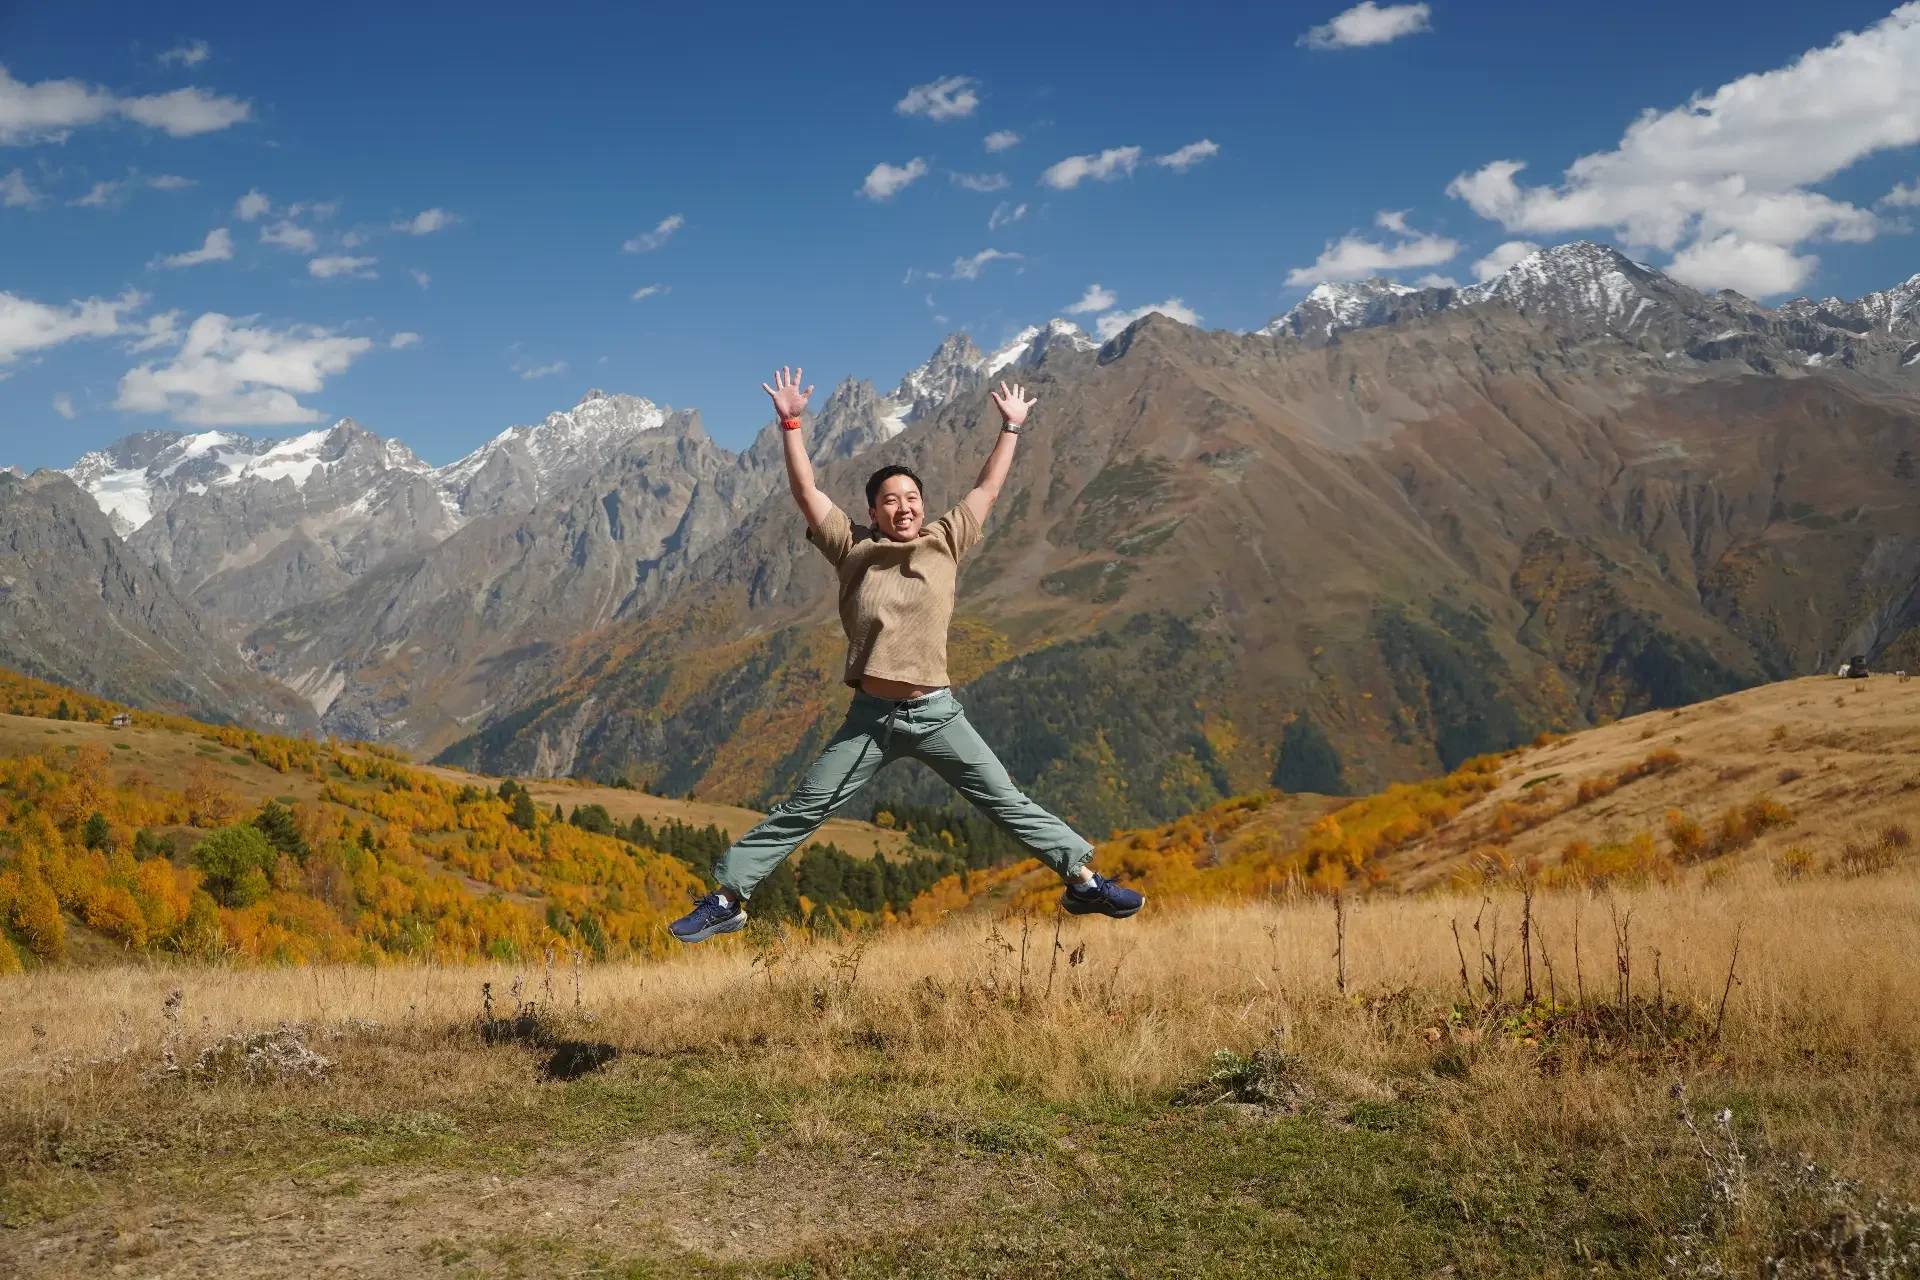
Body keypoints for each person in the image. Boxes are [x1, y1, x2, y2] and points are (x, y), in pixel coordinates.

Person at [669, 366, 1145, 942]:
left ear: (923, 506)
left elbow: (987, 489)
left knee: (1006, 801)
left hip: (937, 714)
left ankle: (1084, 882)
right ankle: (728, 899)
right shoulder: (852, 549)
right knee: (804, 807)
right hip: (870, 719)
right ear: (872, 512)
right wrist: (790, 423)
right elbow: (805, 492)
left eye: (912, 498)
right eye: (890, 501)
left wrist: (1012, 429)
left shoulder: (946, 540)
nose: (903, 508)